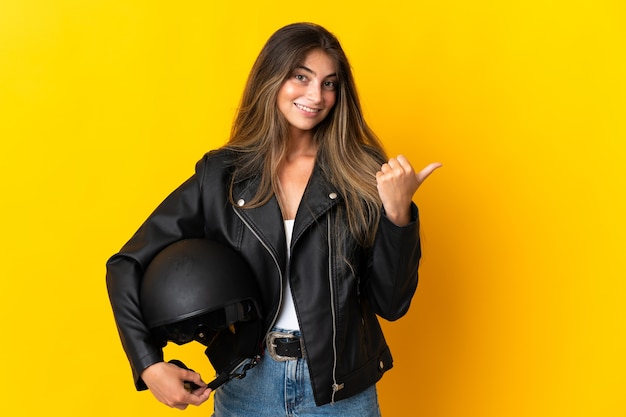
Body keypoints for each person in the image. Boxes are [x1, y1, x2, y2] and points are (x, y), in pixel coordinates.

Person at [106, 22, 441, 416]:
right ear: (272, 78)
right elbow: (126, 263)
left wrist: (398, 214)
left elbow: (392, 303)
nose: (316, 96)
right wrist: (148, 364)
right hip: (248, 385)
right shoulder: (221, 175)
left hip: (340, 394)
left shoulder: (363, 173)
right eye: (301, 77)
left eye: (329, 83)